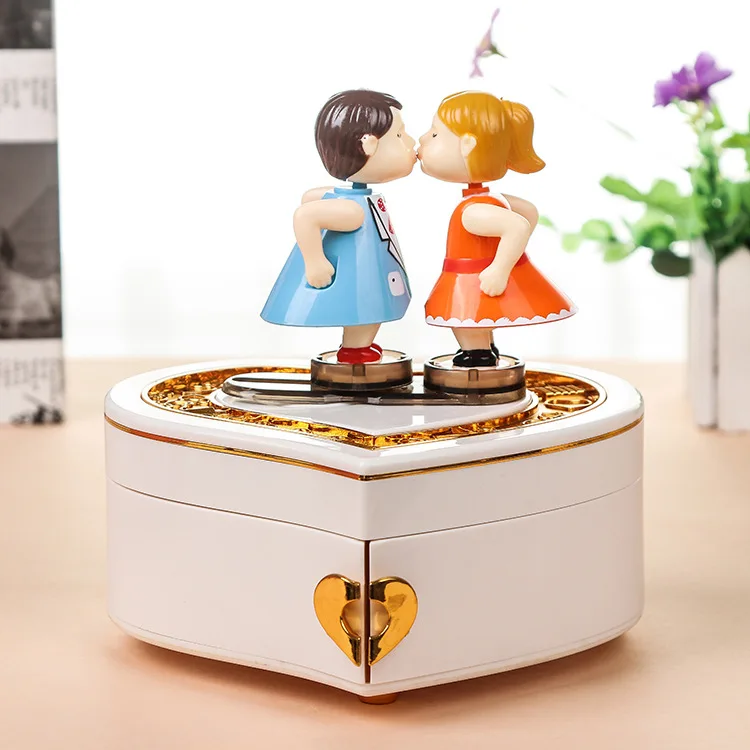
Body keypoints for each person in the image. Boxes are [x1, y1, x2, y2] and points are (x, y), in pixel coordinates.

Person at [418, 90, 576, 368]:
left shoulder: (473, 211)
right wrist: (510, 257)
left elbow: (518, 225)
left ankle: (477, 355)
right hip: (475, 276)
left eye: (434, 134)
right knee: (476, 319)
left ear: (467, 145)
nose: (422, 139)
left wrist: (501, 269)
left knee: (464, 321)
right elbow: (528, 212)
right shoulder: (489, 200)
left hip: (471, 278)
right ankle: (483, 349)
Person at [262, 89, 417, 364]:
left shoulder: (354, 202)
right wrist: (315, 263)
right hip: (358, 282)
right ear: (369, 145)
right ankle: (355, 349)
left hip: (369, 276)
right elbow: (305, 216)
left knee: (370, 311)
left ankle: (358, 347)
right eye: (399, 135)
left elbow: (310, 200)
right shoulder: (351, 210)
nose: (411, 141)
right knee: (365, 311)